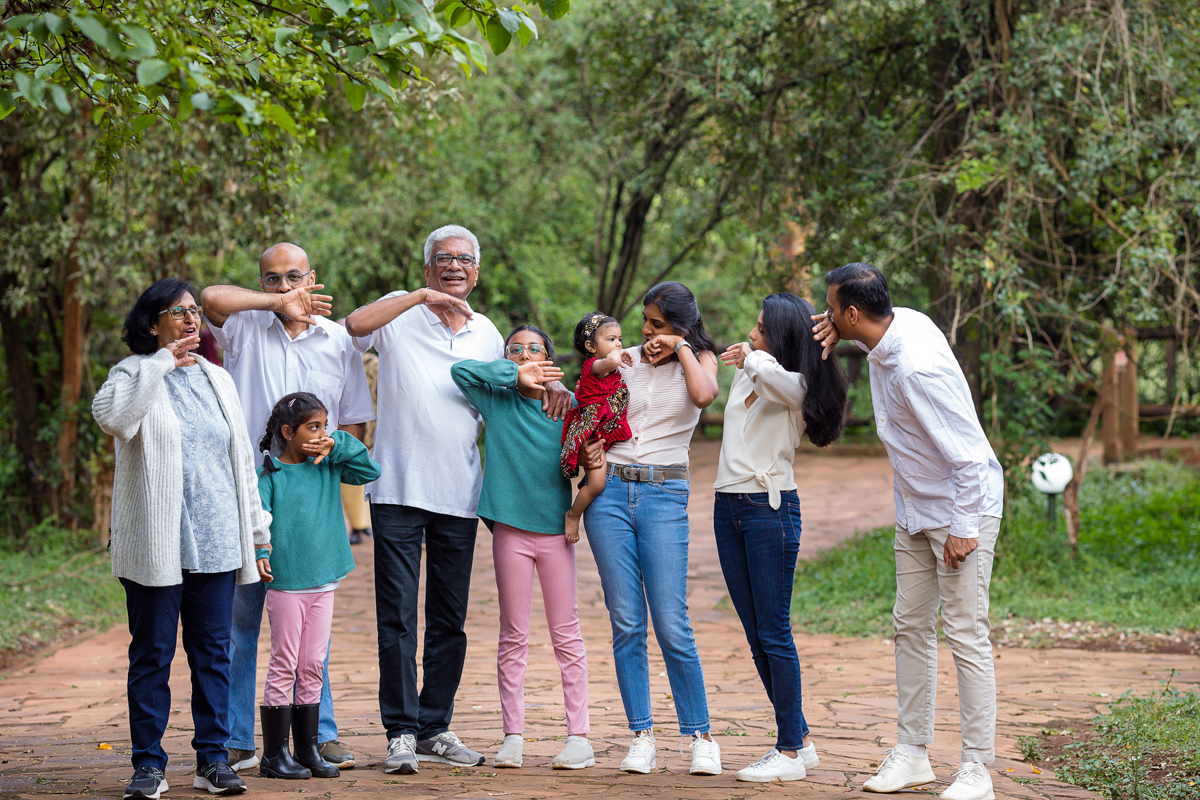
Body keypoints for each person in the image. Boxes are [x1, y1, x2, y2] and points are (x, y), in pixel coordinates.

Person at [345, 224, 572, 774]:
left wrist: (556, 390)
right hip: (396, 487)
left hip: (460, 492)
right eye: (443, 260)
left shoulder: (489, 333)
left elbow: (512, 395)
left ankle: (434, 726)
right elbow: (352, 326)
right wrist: (418, 299)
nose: (454, 267)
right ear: (427, 269)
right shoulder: (400, 312)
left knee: (449, 617)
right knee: (396, 616)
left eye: (465, 260)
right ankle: (400, 731)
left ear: (477, 270)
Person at [813, 263, 1004, 800]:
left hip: (962, 510)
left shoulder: (915, 366)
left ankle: (976, 769)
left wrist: (965, 529)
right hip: (916, 509)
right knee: (910, 625)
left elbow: (969, 458)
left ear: (854, 312)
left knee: (965, 632)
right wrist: (838, 329)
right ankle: (913, 753)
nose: (826, 316)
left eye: (832, 309)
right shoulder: (899, 327)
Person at [92, 278, 271, 800]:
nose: (193, 319)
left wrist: (258, 537)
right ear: (153, 323)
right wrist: (159, 363)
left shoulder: (220, 380)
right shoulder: (131, 373)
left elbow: (241, 464)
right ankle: (148, 764)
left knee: (213, 653)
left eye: (196, 312)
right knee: (151, 653)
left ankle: (212, 759)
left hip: (217, 540)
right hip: (155, 543)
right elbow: (115, 419)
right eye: (179, 312)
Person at [200, 243, 375, 772]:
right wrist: (273, 304)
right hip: (250, 488)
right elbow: (210, 296)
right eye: (271, 279)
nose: (282, 285)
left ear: (312, 276)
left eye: (292, 277)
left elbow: (352, 422)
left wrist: (334, 464)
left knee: (307, 623)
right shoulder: (246, 326)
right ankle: (237, 738)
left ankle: (318, 735)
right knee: (241, 620)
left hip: (312, 498)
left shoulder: (338, 338)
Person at [580, 281, 724, 776]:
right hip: (610, 492)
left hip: (664, 494)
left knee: (671, 621)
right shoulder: (627, 358)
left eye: (657, 324)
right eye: (644, 321)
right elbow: (591, 396)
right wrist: (589, 448)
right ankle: (641, 734)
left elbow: (704, 396)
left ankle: (700, 735)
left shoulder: (701, 359)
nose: (645, 332)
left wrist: (682, 347)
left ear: (682, 327)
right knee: (626, 621)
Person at [451, 327, 603, 770]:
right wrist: (513, 375)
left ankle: (579, 737)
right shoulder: (497, 400)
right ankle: (512, 736)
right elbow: (462, 372)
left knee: (566, 635)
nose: (524, 354)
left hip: (558, 532)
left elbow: (592, 453)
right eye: (514, 350)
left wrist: (556, 387)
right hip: (510, 533)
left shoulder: (567, 405)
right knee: (513, 635)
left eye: (534, 350)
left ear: (551, 359)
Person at [714, 293, 849, 782]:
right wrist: (748, 361)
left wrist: (755, 358)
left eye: (760, 328)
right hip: (727, 505)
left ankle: (788, 751)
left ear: (781, 338)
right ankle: (801, 740)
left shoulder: (800, 385)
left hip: (770, 510)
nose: (751, 333)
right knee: (755, 634)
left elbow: (781, 383)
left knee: (774, 632)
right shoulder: (750, 369)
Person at [252, 392, 381, 780]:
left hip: (325, 579)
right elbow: (260, 518)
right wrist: (260, 549)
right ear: (288, 432)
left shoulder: (328, 464)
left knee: (312, 664)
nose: (322, 434)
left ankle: (307, 749)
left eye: (326, 426)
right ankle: (275, 754)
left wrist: (337, 442)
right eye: (314, 428)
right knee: (285, 664)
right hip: (287, 583)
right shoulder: (272, 473)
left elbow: (368, 471)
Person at [560, 312, 633, 541]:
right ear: (591, 346)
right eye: (611, 339)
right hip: (593, 433)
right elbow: (611, 361)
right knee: (598, 485)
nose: (618, 344)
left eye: (619, 338)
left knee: (596, 480)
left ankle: (586, 482)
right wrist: (620, 355)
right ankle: (573, 514)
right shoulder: (594, 366)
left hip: (608, 428)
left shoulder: (610, 368)